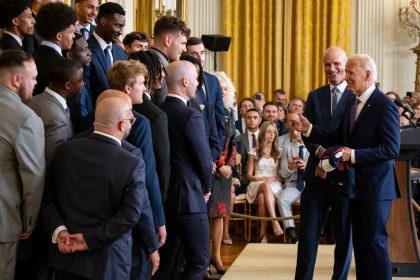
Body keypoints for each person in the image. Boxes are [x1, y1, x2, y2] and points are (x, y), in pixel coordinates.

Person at [298, 54, 400, 280]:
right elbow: (338, 135)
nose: (346, 77)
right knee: (362, 247)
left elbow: (391, 149)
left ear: (368, 74)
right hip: (355, 188)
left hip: (376, 189)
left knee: (375, 244)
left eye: (350, 72)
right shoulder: (354, 103)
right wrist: (310, 129)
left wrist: (353, 155)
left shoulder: (384, 105)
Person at [42, 95, 159, 280]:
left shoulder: (65, 151)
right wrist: (87, 240)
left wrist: (60, 231)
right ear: (122, 124)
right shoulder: (132, 163)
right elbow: (130, 215)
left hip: (65, 258)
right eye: (131, 120)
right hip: (108, 263)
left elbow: (48, 199)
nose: (131, 124)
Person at [295, 46, 355, 280]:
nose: (332, 69)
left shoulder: (354, 97)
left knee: (343, 238)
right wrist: (320, 154)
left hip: (344, 177)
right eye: (327, 65)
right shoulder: (315, 96)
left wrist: (329, 158)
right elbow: (306, 132)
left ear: (345, 64)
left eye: (336, 64)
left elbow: (348, 137)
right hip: (316, 177)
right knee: (308, 236)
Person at [107, 60, 166, 280]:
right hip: (132, 215)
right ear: (128, 88)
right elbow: (147, 177)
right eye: (142, 83)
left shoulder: (94, 118)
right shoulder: (139, 123)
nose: (145, 88)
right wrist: (158, 220)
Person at [154, 60, 213, 280]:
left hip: (165, 199)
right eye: (196, 79)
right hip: (189, 198)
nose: (198, 83)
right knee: (199, 261)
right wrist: (207, 187)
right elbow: (204, 160)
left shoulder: (158, 112)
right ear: (185, 81)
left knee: (166, 263)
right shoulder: (190, 115)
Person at [0, 49, 45, 280]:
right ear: (16, 79)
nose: (36, 83)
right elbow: (34, 177)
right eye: (33, 77)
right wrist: (29, 221)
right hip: (4, 223)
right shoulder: (26, 118)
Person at [128, 50, 171, 204]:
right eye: (159, 69)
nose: (163, 75)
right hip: (148, 198)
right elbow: (162, 166)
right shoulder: (157, 116)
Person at [207, 72, 238, 275]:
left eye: (225, 88)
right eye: (219, 87)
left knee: (219, 216)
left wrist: (229, 165)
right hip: (210, 168)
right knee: (204, 216)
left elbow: (232, 143)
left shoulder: (230, 112)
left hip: (225, 173)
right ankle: (204, 259)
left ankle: (216, 256)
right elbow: (209, 141)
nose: (222, 91)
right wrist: (219, 165)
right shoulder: (207, 110)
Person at [28, 58, 83, 165]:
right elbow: (54, 162)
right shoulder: (57, 120)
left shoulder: (34, 100)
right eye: (80, 80)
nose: (83, 84)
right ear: (67, 85)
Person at [186, 37, 226, 160]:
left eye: (202, 53)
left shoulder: (213, 80)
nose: (200, 57)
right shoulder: (183, 80)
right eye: (194, 54)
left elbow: (220, 119)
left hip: (212, 153)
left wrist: (214, 156)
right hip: (191, 153)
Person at [246, 121, 283, 243]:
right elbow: (249, 175)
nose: (271, 135)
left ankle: (263, 233)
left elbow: (281, 176)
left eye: (274, 132)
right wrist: (257, 178)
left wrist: (274, 178)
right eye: (268, 132)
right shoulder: (254, 151)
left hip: (273, 183)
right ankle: (274, 222)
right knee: (264, 187)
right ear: (263, 133)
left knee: (262, 198)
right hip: (257, 182)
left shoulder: (279, 152)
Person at [33, 2, 77, 95]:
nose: (74, 36)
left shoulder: (31, 58)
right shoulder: (63, 67)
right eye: (71, 32)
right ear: (59, 36)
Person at [278, 112, 309, 244]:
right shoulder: (287, 147)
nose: (296, 128)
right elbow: (283, 174)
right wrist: (290, 167)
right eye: (292, 123)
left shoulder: (313, 145)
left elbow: (321, 166)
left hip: (311, 184)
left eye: (298, 124)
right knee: (282, 199)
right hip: (293, 185)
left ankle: (312, 235)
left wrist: (307, 166)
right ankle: (292, 233)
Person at [87, 1, 127, 103]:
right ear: (103, 21)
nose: (121, 31)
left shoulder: (120, 52)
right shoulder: (85, 50)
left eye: (122, 27)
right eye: (118, 26)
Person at [149, 15, 190, 105]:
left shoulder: (159, 63)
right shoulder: (152, 65)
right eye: (182, 43)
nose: (185, 49)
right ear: (168, 40)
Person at [64, 32, 93, 131]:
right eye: (84, 49)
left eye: (88, 48)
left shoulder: (85, 74)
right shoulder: (69, 84)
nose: (89, 53)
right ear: (70, 55)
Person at [235, 108, 262, 194]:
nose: (252, 120)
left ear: (260, 120)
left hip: (261, 176)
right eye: (249, 117)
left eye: (255, 117)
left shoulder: (266, 137)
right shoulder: (238, 139)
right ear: (245, 120)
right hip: (243, 179)